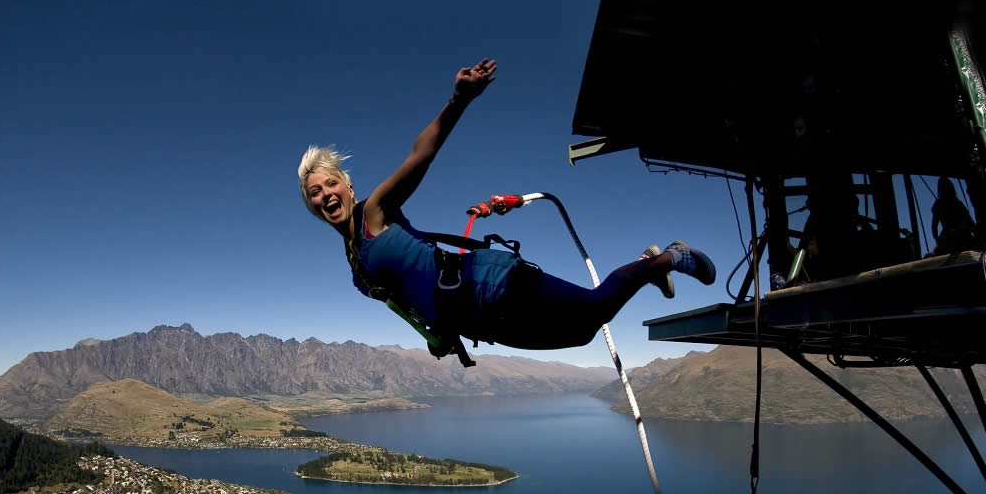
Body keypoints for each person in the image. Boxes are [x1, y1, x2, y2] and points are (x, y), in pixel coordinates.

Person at [297, 59, 715, 363]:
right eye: (315, 193)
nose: (326, 195)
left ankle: (667, 257)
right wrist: (436, 333)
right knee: (583, 334)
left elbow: (420, 156)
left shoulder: (375, 212)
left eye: (331, 183)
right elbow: (407, 297)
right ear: (311, 206)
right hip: (478, 320)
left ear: (348, 187)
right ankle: (649, 266)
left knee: (591, 313)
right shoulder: (355, 264)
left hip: (490, 283)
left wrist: (458, 101)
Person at [930, 176, 977, 255]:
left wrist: (938, 241)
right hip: (953, 237)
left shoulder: (954, 203)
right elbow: (970, 222)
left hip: (958, 236)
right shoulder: (954, 203)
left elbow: (934, 227)